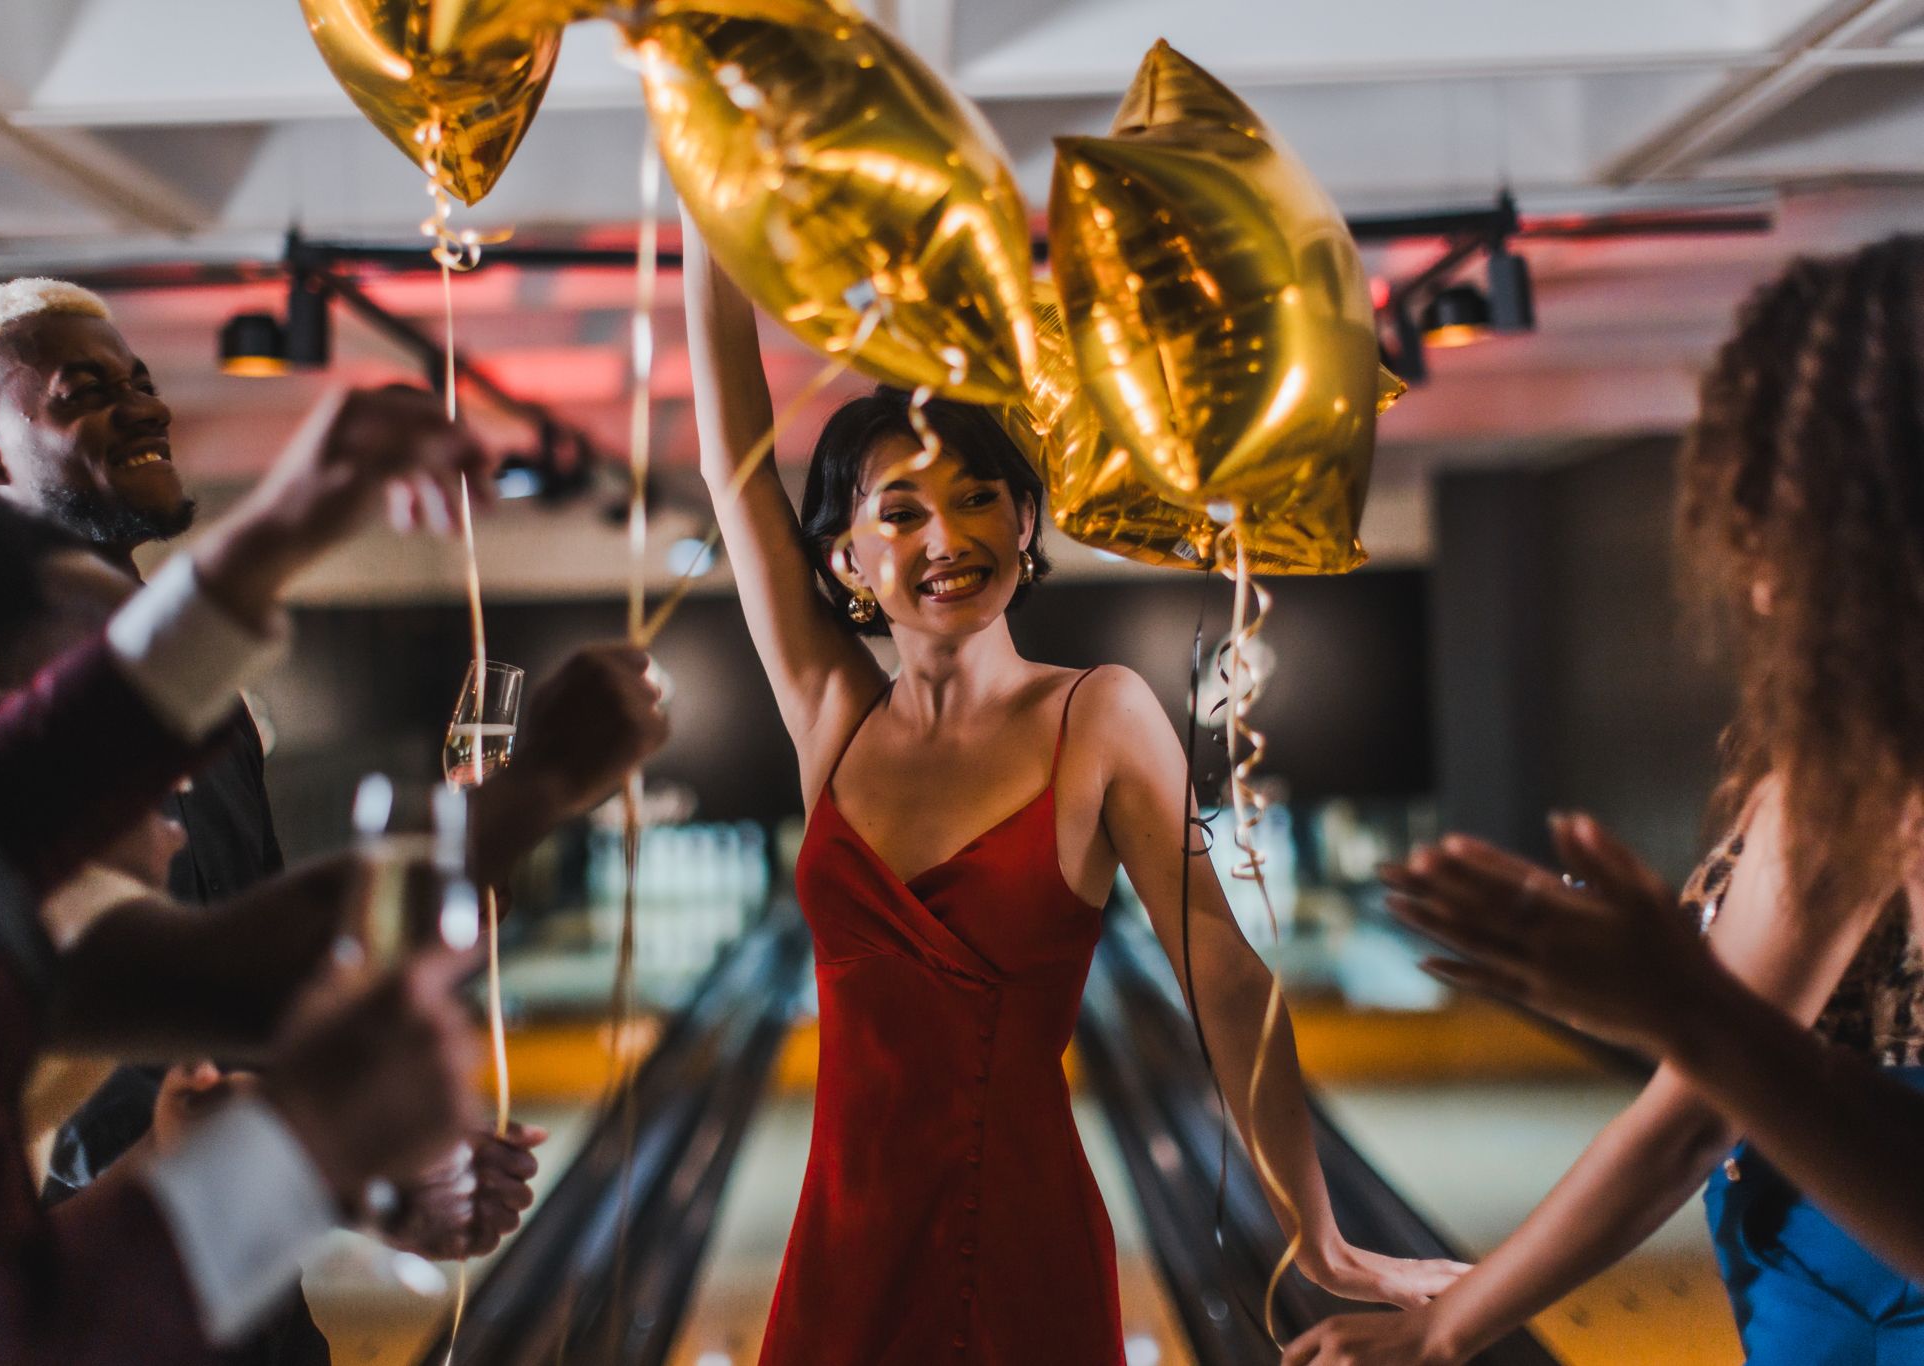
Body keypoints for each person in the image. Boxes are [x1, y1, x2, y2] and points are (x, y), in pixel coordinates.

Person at [682, 220, 1464, 1366]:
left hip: (1018, 1240)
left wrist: (1321, 1233)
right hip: (839, 1246)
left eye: (978, 497)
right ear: (845, 558)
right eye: (899, 511)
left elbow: (1226, 977)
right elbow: (730, 460)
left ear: (1027, 517)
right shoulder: (830, 715)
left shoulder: (1094, 716)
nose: (944, 537)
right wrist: (708, 184)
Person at [1283, 235, 1924, 1366]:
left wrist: (1445, 1329)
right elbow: (1704, 1095)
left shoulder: (1865, 789)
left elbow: (1696, 1105)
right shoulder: (1861, 766)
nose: (1744, 536)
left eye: (1785, 488)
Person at [0, 279, 523, 1360]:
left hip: (243, 1287)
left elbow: (258, 971)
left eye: (140, 380)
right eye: (87, 391)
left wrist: (366, 1169)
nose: (148, 408)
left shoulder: (191, 712)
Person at [1361, 812, 1924, 1287]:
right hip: (1805, 1229)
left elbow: (1695, 1120)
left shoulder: (1846, 791)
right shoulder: (1815, 775)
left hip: (1854, 1243)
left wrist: (1446, 1327)